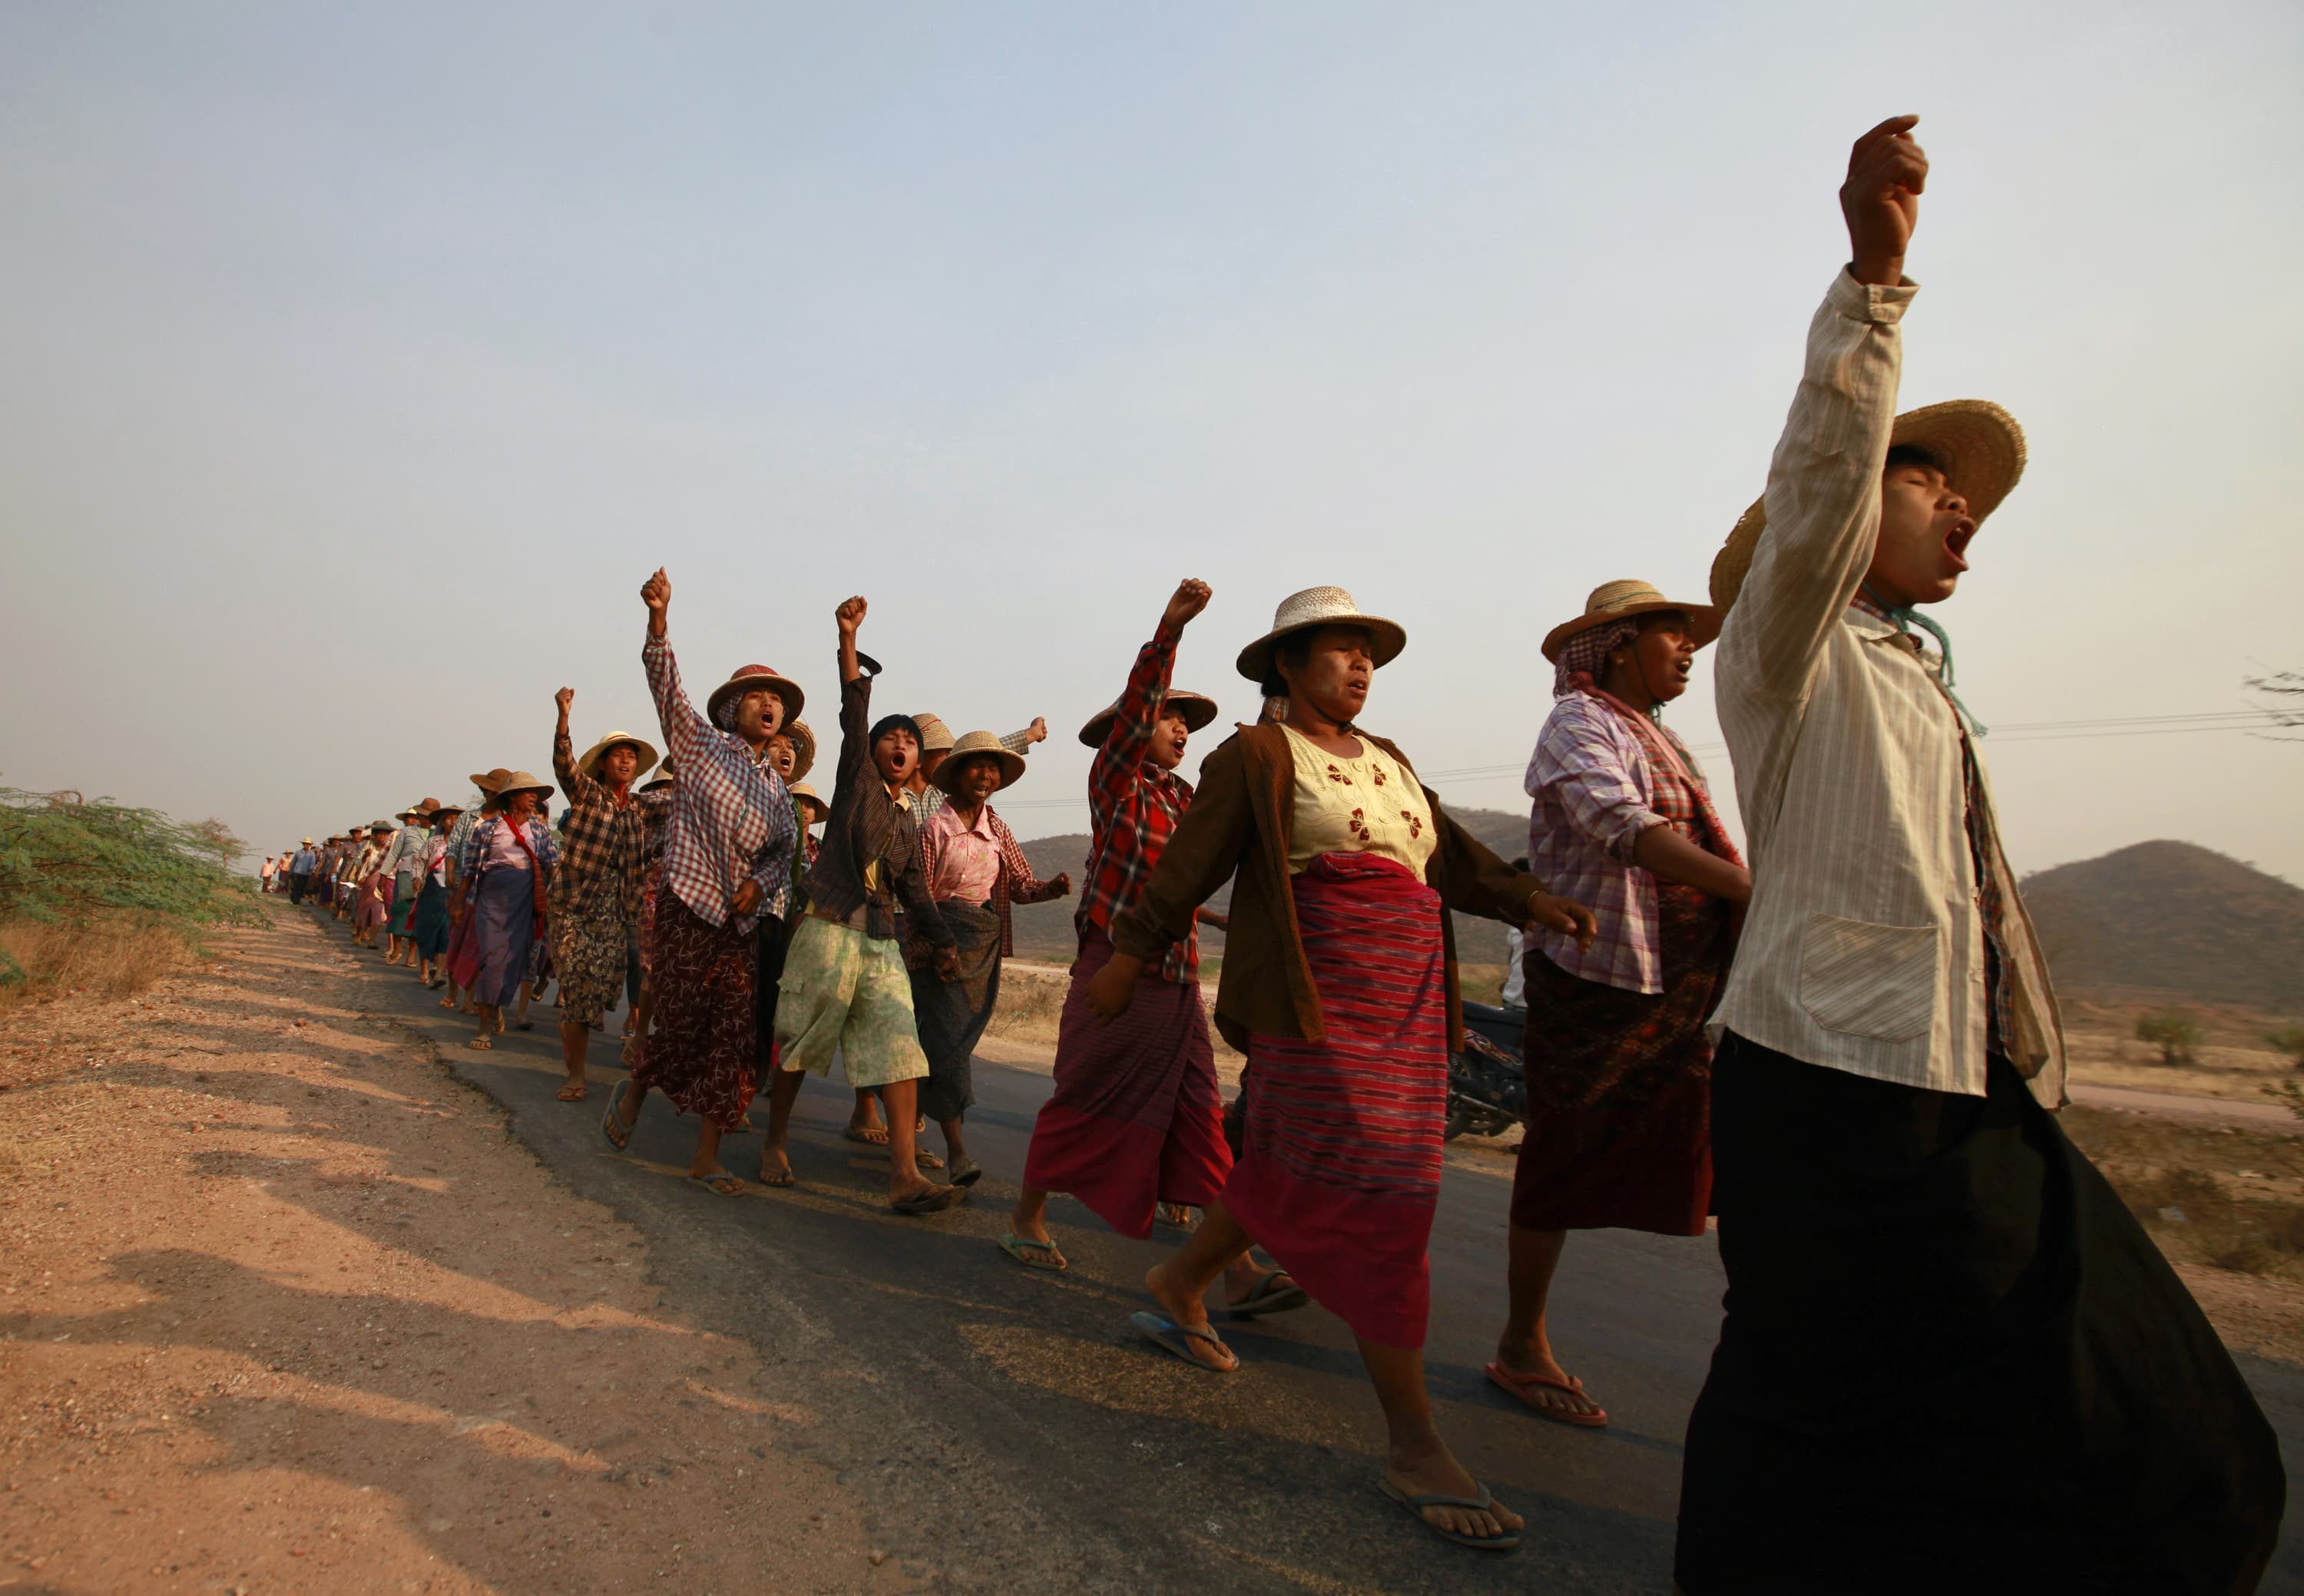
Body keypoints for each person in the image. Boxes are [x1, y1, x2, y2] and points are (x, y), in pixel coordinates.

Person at [1675, 117, 2282, 1594]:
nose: (1959, 504)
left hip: (1955, 1087)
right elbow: (1823, 474)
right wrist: (1875, 285)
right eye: (1927, 476)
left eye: (1969, 497)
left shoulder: (1914, 676)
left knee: (2160, 1426)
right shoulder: (1784, 650)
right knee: (1804, 1421)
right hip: (1827, 1089)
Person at [1097, 584, 1597, 1554]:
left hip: (1408, 1004)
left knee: (1298, 1165)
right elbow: (1187, 864)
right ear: (1287, 663)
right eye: (1340, 649)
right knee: (1382, 1195)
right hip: (1315, 1003)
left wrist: (1531, 900)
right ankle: (1413, 1443)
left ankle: (1178, 1281)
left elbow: (1449, 859)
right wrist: (1126, 957)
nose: (1361, 666)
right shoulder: (1255, 754)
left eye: (1370, 652)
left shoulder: (1394, 763)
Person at [1486, 581, 1749, 1430]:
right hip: (1598, 979)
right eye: (1672, 633)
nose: (1688, 648)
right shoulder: (1578, 723)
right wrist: (1753, 889)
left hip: (1679, 986)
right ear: (1619, 646)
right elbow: (1622, 825)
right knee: (1561, 1153)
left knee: (1721, 1145)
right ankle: (1523, 1341)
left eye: (1689, 636)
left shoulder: (1662, 739)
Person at [1007, 581, 1250, 1280]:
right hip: (1117, 967)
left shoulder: (1185, 799)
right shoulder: (1117, 783)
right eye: (1169, 717)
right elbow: (1140, 703)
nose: (1179, 728)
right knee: (1083, 1096)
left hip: (1178, 976)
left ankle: (1232, 1264)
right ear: (1134, 727)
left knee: (1201, 1105)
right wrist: (1168, 631)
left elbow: (1168, 885)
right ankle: (1027, 1215)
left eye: (1186, 722)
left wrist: (1216, 916)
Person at [602, 569, 799, 1197]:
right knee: (684, 1023)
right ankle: (634, 1088)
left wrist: (760, 886)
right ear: (731, 708)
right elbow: (666, 688)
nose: (768, 706)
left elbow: (782, 853)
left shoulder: (778, 792)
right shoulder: (698, 745)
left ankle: (706, 1155)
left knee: (733, 1034)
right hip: (690, 906)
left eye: (776, 701)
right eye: (755, 697)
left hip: (739, 924)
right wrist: (659, 620)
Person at [765, 594, 965, 1214]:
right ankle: (774, 1141)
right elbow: (855, 712)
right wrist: (849, 639)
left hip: (879, 943)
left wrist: (944, 941)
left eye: (910, 741)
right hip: (827, 932)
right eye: (892, 738)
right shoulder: (857, 782)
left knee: (902, 1046)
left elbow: (915, 893)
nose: (901, 746)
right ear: (875, 751)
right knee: (801, 1041)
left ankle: (903, 1174)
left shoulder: (908, 820)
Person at [907, 730, 1071, 1184]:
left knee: (947, 1044)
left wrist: (1051, 890)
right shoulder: (934, 828)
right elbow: (917, 895)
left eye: (993, 768)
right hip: (939, 947)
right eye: (977, 766)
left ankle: (910, 1121)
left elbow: (1020, 885)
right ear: (957, 774)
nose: (986, 775)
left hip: (981, 944)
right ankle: (958, 1151)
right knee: (949, 1046)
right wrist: (937, 946)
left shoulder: (997, 828)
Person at [549, 690, 665, 1104]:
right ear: (602, 763)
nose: (625, 760)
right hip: (575, 909)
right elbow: (564, 765)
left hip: (617, 915)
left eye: (631, 756)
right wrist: (564, 718)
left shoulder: (639, 807)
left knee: (601, 993)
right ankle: (576, 1074)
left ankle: (596, 1054)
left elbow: (680, 798)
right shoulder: (586, 794)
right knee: (578, 991)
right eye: (618, 754)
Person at [457, 773, 558, 1048]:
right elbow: (469, 869)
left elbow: (551, 864)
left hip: (524, 898)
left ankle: (497, 1004)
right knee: (493, 956)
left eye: (536, 793)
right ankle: (484, 1028)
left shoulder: (540, 830)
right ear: (513, 796)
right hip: (492, 895)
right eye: (528, 792)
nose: (534, 796)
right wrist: (459, 901)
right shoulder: (487, 829)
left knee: (515, 957)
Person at [442, 776, 502, 1015]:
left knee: (479, 946)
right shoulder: (468, 818)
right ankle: (452, 993)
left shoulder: (505, 823)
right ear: (485, 792)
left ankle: (469, 996)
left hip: (488, 891)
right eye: (490, 792)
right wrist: (449, 872)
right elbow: (453, 847)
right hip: (463, 888)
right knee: (456, 941)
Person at [411, 801, 462, 988]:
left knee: (447, 931)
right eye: (450, 818)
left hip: (452, 889)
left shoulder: (464, 844)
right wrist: (417, 878)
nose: (453, 822)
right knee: (427, 929)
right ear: (443, 821)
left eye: (457, 819)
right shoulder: (433, 841)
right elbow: (420, 862)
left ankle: (440, 972)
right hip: (431, 889)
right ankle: (425, 969)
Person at [376, 804, 433, 966]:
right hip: (405, 875)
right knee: (400, 911)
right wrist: (383, 875)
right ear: (419, 816)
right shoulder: (407, 832)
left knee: (418, 915)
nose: (427, 821)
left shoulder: (437, 833)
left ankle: (412, 954)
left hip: (426, 878)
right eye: (424, 816)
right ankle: (397, 949)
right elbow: (394, 854)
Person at [350, 821, 396, 947]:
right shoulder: (368, 847)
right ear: (374, 835)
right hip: (367, 881)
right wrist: (365, 856)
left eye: (385, 835)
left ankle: (372, 940)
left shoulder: (391, 850)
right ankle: (359, 935)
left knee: (377, 910)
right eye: (379, 834)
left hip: (382, 883)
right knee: (363, 910)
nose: (382, 837)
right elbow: (359, 864)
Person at [287, 840, 318, 904]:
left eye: (309, 844)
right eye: (306, 844)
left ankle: (297, 898)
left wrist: (311, 868)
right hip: (297, 872)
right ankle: (295, 900)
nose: (307, 845)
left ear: (310, 845)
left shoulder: (312, 853)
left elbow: (313, 862)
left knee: (303, 887)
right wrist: (290, 872)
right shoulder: (298, 852)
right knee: (296, 886)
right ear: (303, 844)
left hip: (306, 873)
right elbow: (293, 862)